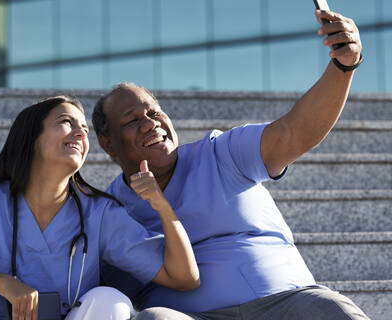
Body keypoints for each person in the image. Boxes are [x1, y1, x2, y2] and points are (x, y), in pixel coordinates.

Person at [92, 9, 369, 320]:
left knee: (332, 308)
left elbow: (293, 133)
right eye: (132, 120)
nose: (150, 124)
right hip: (194, 316)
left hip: (286, 302)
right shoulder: (108, 210)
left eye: (155, 113)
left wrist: (343, 66)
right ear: (107, 143)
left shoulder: (220, 152)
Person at [0, 96, 199, 320]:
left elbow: (183, 277)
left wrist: (162, 206)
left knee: (110, 300)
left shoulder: (99, 212)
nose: (80, 134)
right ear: (32, 138)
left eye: (85, 130)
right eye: (67, 122)